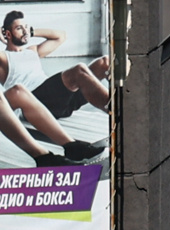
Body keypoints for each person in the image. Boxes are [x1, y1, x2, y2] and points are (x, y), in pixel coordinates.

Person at [0, 15, 105, 166]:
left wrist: (30, 31)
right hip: (36, 98)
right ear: (8, 34)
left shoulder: (33, 51)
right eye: (19, 28)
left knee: (104, 62)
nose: (24, 31)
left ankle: (119, 112)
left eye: (26, 27)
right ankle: (73, 147)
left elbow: (60, 36)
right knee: (79, 70)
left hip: (60, 100)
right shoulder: (3, 57)